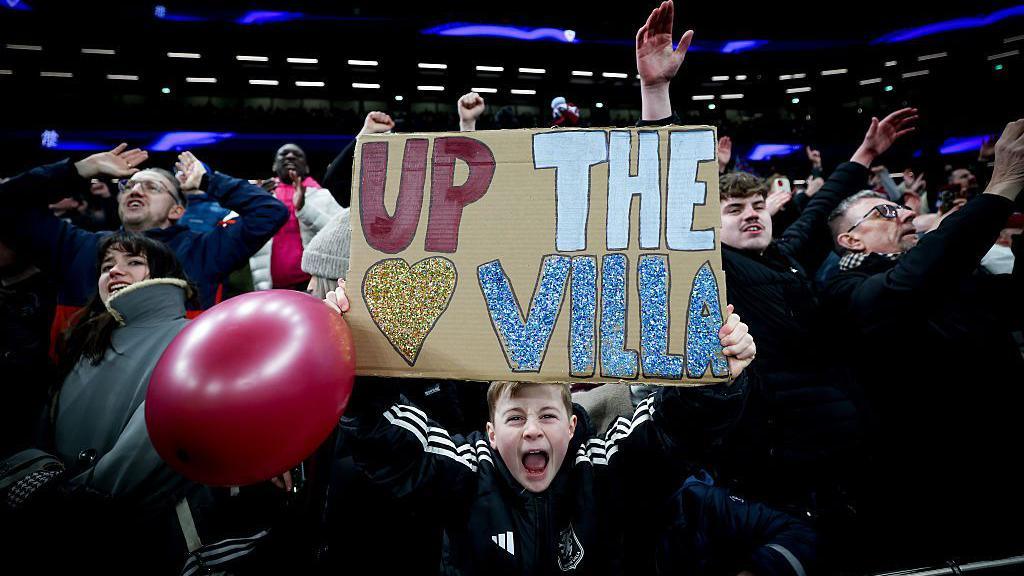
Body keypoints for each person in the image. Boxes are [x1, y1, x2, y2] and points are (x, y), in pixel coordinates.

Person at [635, 0, 916, 532]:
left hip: (849, 449)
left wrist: (864, 155)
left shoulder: (786, 255)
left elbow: (819, 205)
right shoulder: (714, 268)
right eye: (734, 210)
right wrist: (655, 93)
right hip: (776, 461)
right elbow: (665, 199)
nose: (751, 217)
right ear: (708, 227)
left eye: (757, 207)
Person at [325, 280, 814, 575]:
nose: (532, 431)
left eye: (548, 416)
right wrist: (357, 352)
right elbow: (389, 443)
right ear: (490, 434)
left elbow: (672, 435)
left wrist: (715, 376)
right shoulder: (465, 474)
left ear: (574, 425)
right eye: (514, 418)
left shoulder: (602, 469)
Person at [823, 118, 1024, 566]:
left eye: (901, 209)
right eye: (887, 211)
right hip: (939, 489)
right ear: (850, 238)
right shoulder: (843, 290)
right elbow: (905, 288)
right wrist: (1002, 185)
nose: (908, 213)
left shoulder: (950, 274)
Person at [0, 145, 289, 351]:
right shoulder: (79, 247)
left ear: (177, 210)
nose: (135, 190)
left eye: (152, 187)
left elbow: (269, 212)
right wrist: (79, 170)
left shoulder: (204, 249)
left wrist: (207, 181)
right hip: (80, 403)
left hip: (169, 405)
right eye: (128, 187)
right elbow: (7, 204)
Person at [246, 143, 343, 290]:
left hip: (312, 286)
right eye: (284, 154)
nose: (290, 156)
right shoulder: (260, 195)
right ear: (274, 166)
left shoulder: (323, 196)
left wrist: (304, 208)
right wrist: (254, 203)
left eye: (297, 155)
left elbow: (341, 236)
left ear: (307, 168)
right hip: (269, 288)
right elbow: (235, 233)